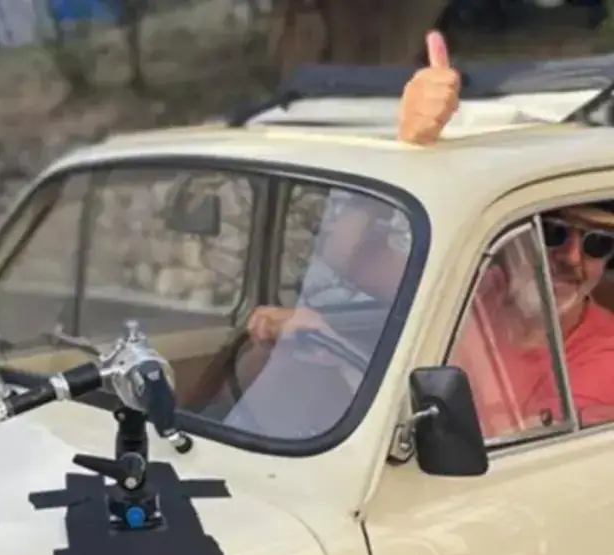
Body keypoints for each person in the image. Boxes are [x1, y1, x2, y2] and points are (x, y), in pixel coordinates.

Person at [239, 30, 614, 439]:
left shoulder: (605, 354)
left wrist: (349, 363)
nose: (574, 259)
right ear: (520, 238)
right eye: (555, 234)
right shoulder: (480, 281)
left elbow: (506, 451)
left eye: (598, 244)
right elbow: (347, 253)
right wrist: (407, 153)